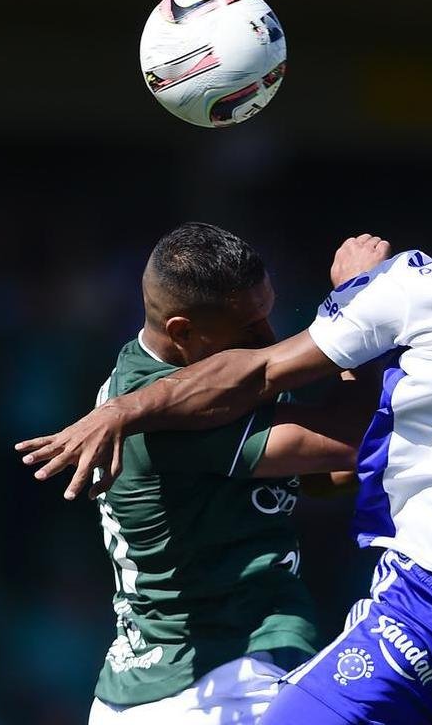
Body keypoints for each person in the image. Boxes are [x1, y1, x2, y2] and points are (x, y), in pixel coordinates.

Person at [18, 105, 432, 723]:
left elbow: (337, 468)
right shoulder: (414, 293)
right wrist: (123, 413)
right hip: (422, 614)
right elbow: (265, 373)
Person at [31, 222, 390, 724]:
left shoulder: (171, 378)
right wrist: (361, 306)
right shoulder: (181, 417)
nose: (268, 336)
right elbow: (349, 443)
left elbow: (315, 476)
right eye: (250, 326)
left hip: (152, 687)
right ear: (182, 330)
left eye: (269, 311)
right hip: (221, 680)